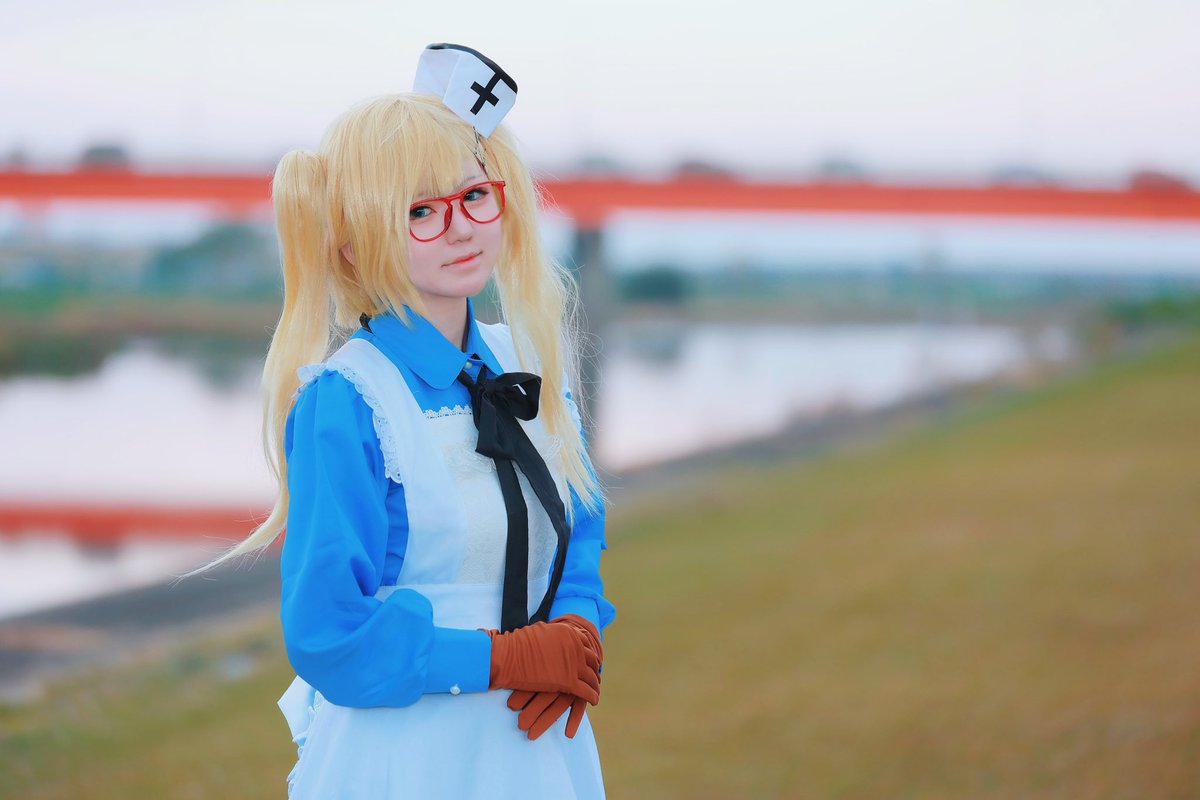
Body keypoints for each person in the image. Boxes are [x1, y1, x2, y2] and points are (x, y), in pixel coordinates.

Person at [202, 44, 615, 798]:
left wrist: (578, 629)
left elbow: (580, 520)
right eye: (419, 211)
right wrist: (505, 660)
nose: (459, 228)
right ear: (352, 244)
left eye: (473, 196)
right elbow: (328, 633)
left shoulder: (529, 360)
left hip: (539, 742)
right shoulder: (349, 400)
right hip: (407, 757)